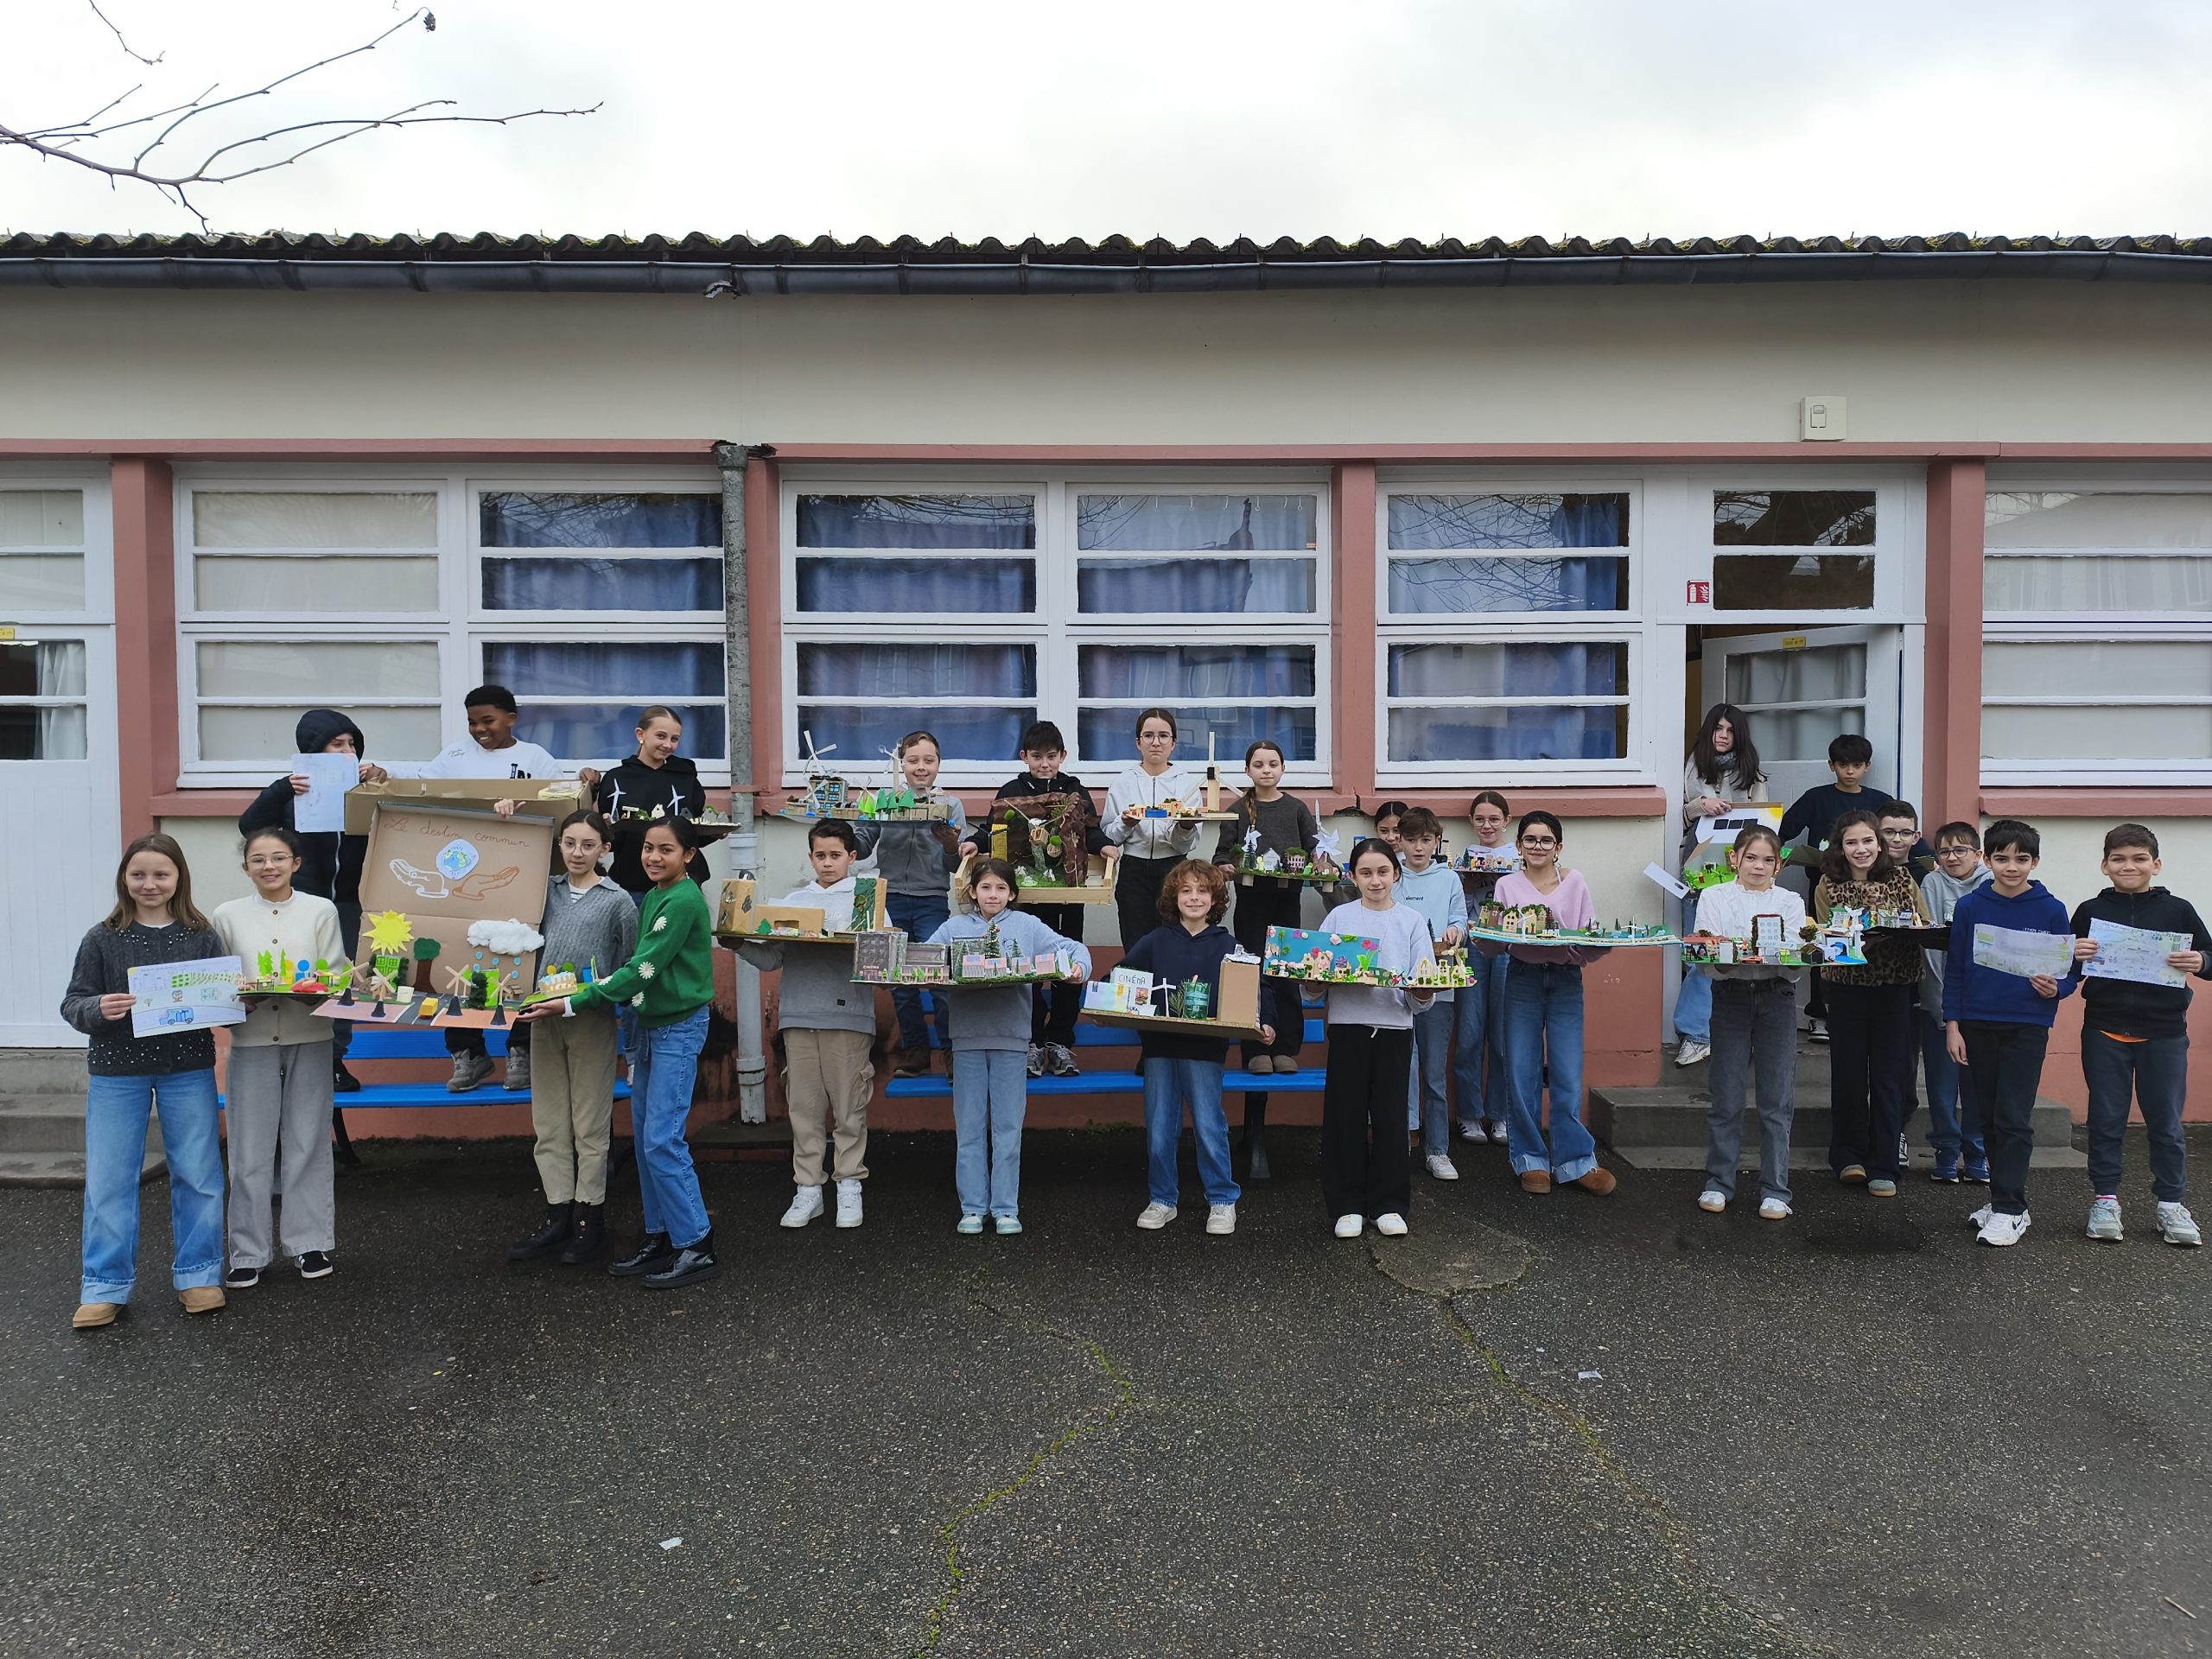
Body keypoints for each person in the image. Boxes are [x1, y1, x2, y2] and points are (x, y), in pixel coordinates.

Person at [519, 817, 719, 1288]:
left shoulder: (683, 900)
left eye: (666, 850)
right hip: (650, 1028)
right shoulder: (655, 896)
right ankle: (661, 1236)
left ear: (689, 855)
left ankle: (696, 1244)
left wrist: (572, 1001)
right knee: (649, 1141)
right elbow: (634, 974)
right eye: (649, 848)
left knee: (662, 1141)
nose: (654, 857)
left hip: (677, 1030)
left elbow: (640, 971)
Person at [59, 835, 229, 1331]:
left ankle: (199, 1274)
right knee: (110, 1178)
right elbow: (73, 1003)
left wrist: (234, 1002)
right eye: (139, 874)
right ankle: (104, 1285)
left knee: (198, 1173)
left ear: (179, 878)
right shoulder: (102, 937)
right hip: (117, 1071)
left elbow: (221, 1001)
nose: (149, 884)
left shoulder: (201, 934)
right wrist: (97, 1008)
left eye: (161, 874)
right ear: (124, 879)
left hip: (188, 1068)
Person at [392, 685, 569, 1094]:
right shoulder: (455, 756)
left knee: (522, 959)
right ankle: (468, 1052)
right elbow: (421, 787)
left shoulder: (535, 759)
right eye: (472, 722)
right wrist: (384, 773)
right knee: (461, 959)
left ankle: (521, 1048)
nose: (479, 729)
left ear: (512, 719)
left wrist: (527, 802)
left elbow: (564, 802)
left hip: (519, 878)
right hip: (463, 878)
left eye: (488, 720)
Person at [926, 859, 1091, 1235]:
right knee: (969, 1128)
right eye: (985, 888)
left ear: (1012, 893)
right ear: (972, 892)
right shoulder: (953, 928)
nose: (993, 895)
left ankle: (1005, 1208)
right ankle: (972, 1208)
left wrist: (1079, 967)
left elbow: (1072, 948)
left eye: (1001, 888)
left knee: (1008, 1129)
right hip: (967, 1041)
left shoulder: (1027, 926)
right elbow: (925, 959)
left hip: (1013, 1041)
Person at [213, 826, 346, 1288]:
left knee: (309, 1141)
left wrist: (315, 992)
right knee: (248, 1149)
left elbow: (334, 976)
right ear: (246, 867)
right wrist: (238, 1000)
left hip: (310, 1036)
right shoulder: (227, 915)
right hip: (250, 1042)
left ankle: (310, 1244)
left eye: (278, 858)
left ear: (296, 863)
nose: (269, 866)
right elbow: (219, 981)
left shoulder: (321, 910)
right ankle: (247, 1252)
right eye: (258, 859)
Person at [506, 810, 636, 1267]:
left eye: (588, 845)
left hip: (589, 1019)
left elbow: (630, 965)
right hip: (543, 1019)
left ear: (605, 849)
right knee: (549, 1123)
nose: (577, 853)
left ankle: (589, 1220)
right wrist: (508, 815)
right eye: (569, 843)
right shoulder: (544, 892)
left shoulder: (618, 901)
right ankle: (557, 1214)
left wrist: (604, 1001)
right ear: (558, 845)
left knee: (590, 1124)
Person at [739, 819, 880, 1231]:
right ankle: (808, 1188)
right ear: (810, 857)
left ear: (852, 857)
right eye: (820, 855)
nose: (828, 863)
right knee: (803, 1109)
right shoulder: (793, 901)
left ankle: (849, 1184)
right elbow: (772, 958)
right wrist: (740, 944)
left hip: (849, 1017)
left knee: (850, 1108)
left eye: (836, 855)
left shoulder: (867, 899)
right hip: (799, 1016)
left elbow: (881, 957)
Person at [2070, 823, 2208, 1249]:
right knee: (2106, 1121)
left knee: (2165, 1123)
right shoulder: (2090, 910)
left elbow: (2211, 956)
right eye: (2119, 859)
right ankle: (2105, 1201)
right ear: (2105, 866)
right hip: (2104, 1031)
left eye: (2139, 859)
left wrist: (2200, 961)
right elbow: (2068, 968)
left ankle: (2171, 1204)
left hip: (2164, 1034)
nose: (2128, 866)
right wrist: (2072, 953)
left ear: (2156, 864)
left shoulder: (2179, 910)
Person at [238, 708, 388, 1095]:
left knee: (343, 980)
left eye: (352, 744)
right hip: (305, 902)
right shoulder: (292, 790)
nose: (348, 751)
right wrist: (282, 789)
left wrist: (381, 781)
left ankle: (335, 1060)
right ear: (313, 750)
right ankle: (290, 1059)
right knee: (302, 976)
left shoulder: (365, 786)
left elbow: (398, 819)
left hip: (352, 902)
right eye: (337, 744)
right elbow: (250, 826)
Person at [1943, 819, 2073, 1247]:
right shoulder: (1970, 907)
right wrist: (1953, 1025)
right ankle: (2002, 1199)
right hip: (1976, 1024)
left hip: (2027, 1025)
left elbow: (2069, 971)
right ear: (1987, 859)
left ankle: (2011, 1209)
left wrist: (2058, 989)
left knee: (2013, 1118)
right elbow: (1956, 969)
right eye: (2001, 858)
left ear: (2035, 861)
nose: (2011, 867)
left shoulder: (2051, 909)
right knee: (1986, 1117)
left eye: (2021, 859)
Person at [1124, 860, 1268, 1236]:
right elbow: (1122, 977)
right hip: (1159, 1047)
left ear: (1216, 899)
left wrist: (1265, 1021)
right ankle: (1162, 1198)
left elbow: (1255, 989)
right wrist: (1112, 1000)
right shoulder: (1155, 941)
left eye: (1202, 891)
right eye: (1186, 890)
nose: (1194, 898)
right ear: (1173, 897)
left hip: (1206, 1050)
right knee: (1159, 1129)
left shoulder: (1229, 946)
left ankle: (1222, 1200)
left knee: (1209, 1126)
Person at [1490, 812, 1617, 1198]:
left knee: (1566, 1072)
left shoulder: (1574, 882)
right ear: (1519, 846)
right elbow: (1496, 941)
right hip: (1522, 979)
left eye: (1546, 840)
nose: (1538, 847)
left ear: (1558, 847)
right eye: (1530, 840)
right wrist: (1488, 939)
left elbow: (1587, 937)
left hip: (1565, 981)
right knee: (1521, 1070)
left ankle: (1575, 1162)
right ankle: (1530, 1158)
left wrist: (1593, 948)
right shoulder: (1506, 885)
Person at [1318, 838, 1436, 1238]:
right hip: (1348, 1027)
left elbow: (1423, 990)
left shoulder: (1412, 921)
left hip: (1394, 1030)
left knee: (1391, 1116)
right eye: (1365, 873)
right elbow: (1314, 979)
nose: (1375, 880)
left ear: (1396, 875)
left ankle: (1389, 1204)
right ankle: (1347, 1204)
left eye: (1383, 872)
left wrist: (1422, 992)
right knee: (1345, 1115)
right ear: (1352, 877)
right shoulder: (1338, 919)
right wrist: (1313, 982)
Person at [1692, 825, 1806, 1220]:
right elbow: (1709, 956)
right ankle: (1719, 1182)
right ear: (1734, 859)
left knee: (1777, 1099)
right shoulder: (1713, 896)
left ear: (1779, 865)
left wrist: (1791, 956)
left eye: (1768, 859)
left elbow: (1794, 964)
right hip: (1731, 996)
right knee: (1726, 1095)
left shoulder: (1790, 901)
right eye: (1751, 857)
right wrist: (1721, 957)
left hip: (1777, 996)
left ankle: (1775, 1189)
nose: (1759, 866)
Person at [1815, 810, 1929, 1198]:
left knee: (1889, 1076)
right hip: (1846, 988)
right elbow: (1825, 937)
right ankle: (1848, 1155)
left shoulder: (1902, 878)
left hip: (1894, 988)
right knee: (1848, 1075)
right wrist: (1855, 940)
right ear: (1840, 847)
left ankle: (1884, 1162)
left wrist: (1900, 930)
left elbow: (1922, 922)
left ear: (1879, 845)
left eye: (1867, 841)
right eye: (1851, 842)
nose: (1860, 849)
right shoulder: (1828, 884)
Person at [994, 721, 1112, 1080]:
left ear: (1063, 756)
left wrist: (1105, 846)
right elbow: (994, 830)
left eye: (1051, 756)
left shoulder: (1074, 790)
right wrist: (973, 842)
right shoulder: (1011, 791)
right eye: (1037, 757)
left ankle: (1060, 1042)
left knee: (1068, 966)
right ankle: (1031, 1042)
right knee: (1027, 967)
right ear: (1024, 757)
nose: (1044, 764)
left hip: (1069, 896)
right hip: (1027, 901)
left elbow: (1089, 830)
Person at [856, 730, 968, 1080]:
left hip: (931, 899)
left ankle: (950, 1050)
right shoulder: (884, 799)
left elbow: (956, 865)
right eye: (913, 760)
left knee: (940, 977)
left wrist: (950, 845)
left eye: (928, 760)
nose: (921, 767)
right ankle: (916, 1049)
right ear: (900, 764)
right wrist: (847, 831)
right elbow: (862, 843)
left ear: (939, 765)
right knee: (899, 980)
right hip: (889, 899)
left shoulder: (950, 805)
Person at [1212, 738, 1318, 1077]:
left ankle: (1285, 1047)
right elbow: (1222, 853)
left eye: (1273, 764)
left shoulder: (1297, 809)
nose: (1266, 770)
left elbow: (1315, 850)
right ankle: (1256, 1048)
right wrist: (1223, 866)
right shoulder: (1237, 810)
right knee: (1251, 970)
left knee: (1285, 969)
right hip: (1251, 902)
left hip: (1287, 901)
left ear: (1283, 769)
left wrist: (1323, 862)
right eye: (1258, 765)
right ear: (1248, 771)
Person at [1780, 734, 1895, 1045]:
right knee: (1823, 944)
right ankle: (1820, 1014)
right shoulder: (1816, 798)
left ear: (1867, 766)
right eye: (1843, 765)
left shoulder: (1881, 801)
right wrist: (1768, 855)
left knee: (1872, 943)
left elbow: (1898, 833)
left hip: (1872, 887)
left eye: (1857, 765)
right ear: (1832, 765)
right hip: (1824, 884)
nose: (1850, 771)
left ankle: (1863, 1012)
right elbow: (1783, 829)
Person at [1677, 703, 1765, 1069]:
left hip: (1743, 874)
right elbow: (1679, 815)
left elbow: (1765, 821)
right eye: (1717, 728)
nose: (1723, 735)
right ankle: (1696, 1035)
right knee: (1700, 952)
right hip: (1699, 871)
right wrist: (1701, 805)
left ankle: (1741, 1035)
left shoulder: (1751, 771)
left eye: (1729, 730)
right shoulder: (1693, 765)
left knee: (1745, 951)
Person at [1393, 808, 1468, 1182]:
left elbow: (1460, 920)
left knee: (1434, 1072)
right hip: (1396, 984)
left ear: (1437, 841)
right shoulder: (1391, 875)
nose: (1418, 848)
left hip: (1439, 984)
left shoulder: (1449, 878)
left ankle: (1438, 1150)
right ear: (1400, 841)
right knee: (1400, 1067)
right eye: (1411, 840)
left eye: (1426, 840)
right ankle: (1402, 1139)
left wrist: (1456, 932)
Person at [1919, 822, 1992, 1184]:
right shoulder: (1931, 883)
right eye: (1945, 851)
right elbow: (1929, 940)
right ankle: (1946, 1150)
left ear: (1978, 854)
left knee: (1977, 1083)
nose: (1952, 858)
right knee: (1941, 1084)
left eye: (1960, 850)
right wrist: (1941, 1000)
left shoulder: (1992, 885)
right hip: (1939, 993)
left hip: (1981, 1003)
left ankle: (1977, 1152)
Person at [1103, 709, 1204, 951]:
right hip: (1133, 870)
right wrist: (1125, 824)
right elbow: (1108, 835)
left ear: (1173, 743)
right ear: (1138, 743)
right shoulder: (1123, 781)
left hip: (1174, 867)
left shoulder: (1187, 783)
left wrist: (1185, 826)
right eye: (1148, 736)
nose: (1156, 742)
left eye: (1163, 736)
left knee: (1174, 941)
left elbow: (1186, 845)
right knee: (1135, 942)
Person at [1452, 791, 1515, 1146]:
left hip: (1508, 947)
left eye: (1494, 819)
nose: (1487, 825)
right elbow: (1455, 910)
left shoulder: (1520, 857)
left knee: (1504, 1036)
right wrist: (1468, 886)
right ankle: (1469, 1113)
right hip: (1473, 946)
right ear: (1471, 822)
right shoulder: (1464, 859)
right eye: (1480, 819)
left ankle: (1501, 1114)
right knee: (1470, 1033)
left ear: (1507, 820)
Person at [594, 705, 710, 892]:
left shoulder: (687, 779)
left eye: (674, 739)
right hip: (631, 884)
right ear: (641, 734)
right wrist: (606, 830)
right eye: (661, 736)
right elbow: (614, 842)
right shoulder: (616, 779)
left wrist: (713, 834)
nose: (668, 745)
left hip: (680, 885)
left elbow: (692, 836)